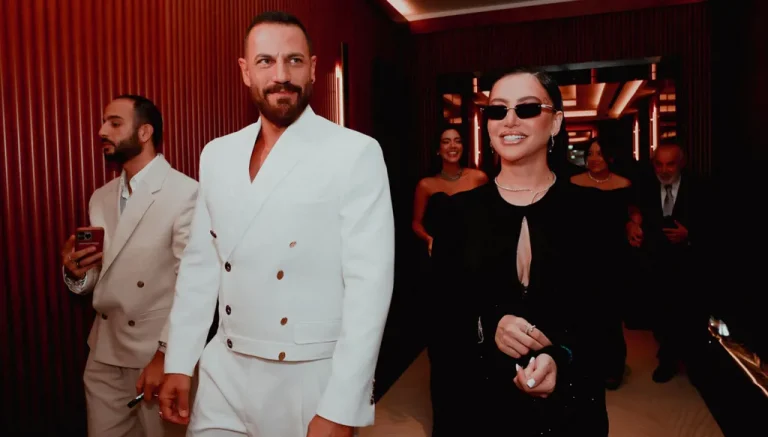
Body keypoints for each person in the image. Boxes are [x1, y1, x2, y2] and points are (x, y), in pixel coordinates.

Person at [158, 11, 395, 437]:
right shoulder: (217, 154)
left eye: (294, 60)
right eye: (265, 61)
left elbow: (369, 287)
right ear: (245, 71)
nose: (281, 75)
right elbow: (200, 265)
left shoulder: (354, 152)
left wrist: (342, 406)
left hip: (308, 377)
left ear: (313, 69)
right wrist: (179, 360)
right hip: (224, 369)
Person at [428, 67, 609, 436]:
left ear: (555, 122)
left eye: (526, 108)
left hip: (567, 407)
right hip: (479, 403)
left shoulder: (591, 211)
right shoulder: (456, 212)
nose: (509, 120)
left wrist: (561, 359)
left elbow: (602, 322)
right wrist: (487, 325)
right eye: (498, 110)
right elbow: (439, 318)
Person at [60, 95, 198, 437]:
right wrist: (77, 273)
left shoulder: (186, 193)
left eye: (115, 123)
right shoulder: (101, 196)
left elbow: (194, 284)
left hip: (155, 355)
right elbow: (104, 276)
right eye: (103, 122)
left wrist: (167, 355)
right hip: (104, 352)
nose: (102, 131)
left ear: (145, 132)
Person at [626, 142, 706, 383]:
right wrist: (631, 222)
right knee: (662, 315)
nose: (664, 170)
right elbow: (631, 209)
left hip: (692, 264)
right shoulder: (645, 185)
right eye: (658, 164)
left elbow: (718, 224)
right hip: (656, 262)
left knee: (691, 315)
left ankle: (694, 362)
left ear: (681, 163)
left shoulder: (699, 187)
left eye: (670, 164)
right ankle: (667, 360)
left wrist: (689, 235)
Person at [570, 138, 632, 389]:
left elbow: (632, 214)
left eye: (600, 153)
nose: (594, 158)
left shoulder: (623, 184)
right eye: (590, 154)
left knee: (611, 314)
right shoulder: (574, 183)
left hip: (613, 257)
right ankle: (587, 365)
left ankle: (613, 367)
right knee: (585, 314)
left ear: (610, 157)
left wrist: (635, 222)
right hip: (582, 257)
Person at [412, 126, 488, 256]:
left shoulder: (478, 178)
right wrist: (429, 239)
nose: (453, 146)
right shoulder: (425, 185)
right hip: (441, 253)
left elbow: (489, 217)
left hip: (474, 252)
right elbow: (416, 223)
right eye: (446, 142)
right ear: (438, 149)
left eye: (458, 141)